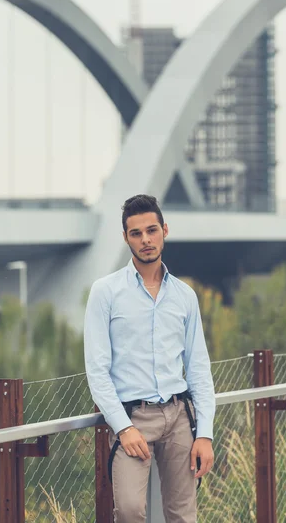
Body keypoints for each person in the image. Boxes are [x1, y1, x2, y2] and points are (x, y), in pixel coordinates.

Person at [84, 194, 216, 523]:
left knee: (183, 515)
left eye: (152, 230)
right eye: (136, 233)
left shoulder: (185, 296)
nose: (145, 240)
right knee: (129, 510)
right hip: (133, 419)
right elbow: (97, 372)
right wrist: (123, 427)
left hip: (179, 417)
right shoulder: (105, 292)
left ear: (165, 230)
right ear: (126, 237)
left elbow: (199, 368)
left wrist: (205, 434)